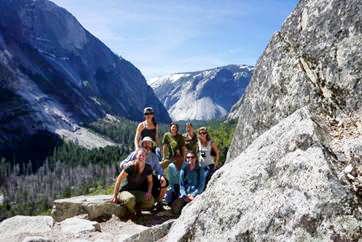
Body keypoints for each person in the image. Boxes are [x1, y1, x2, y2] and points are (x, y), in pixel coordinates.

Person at [120, 136, 167, 208]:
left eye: (149, 143)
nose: (147, 145)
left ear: (152, 145)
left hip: (149, 178)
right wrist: (126, 164)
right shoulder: (136, 154)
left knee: (164, 182)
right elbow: (122, 163)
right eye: (145, 143)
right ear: (142, 145)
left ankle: (159, 203)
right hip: (137, 179)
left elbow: (158, 169)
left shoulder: (153, 156)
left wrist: (161, 177)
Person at [112, 148, 154, 214]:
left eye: (143, 155)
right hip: (126, 190)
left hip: (138, 191)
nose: (141, 157)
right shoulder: (131, 167)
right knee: (130, 199)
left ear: (146, 157)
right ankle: (131, 211)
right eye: (139, 155)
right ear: (136, 156)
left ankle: (137, 208)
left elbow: (150, 181)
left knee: (150, 201)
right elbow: (119, 179)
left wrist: (149, 192)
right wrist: (115, 196)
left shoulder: (148, 168)